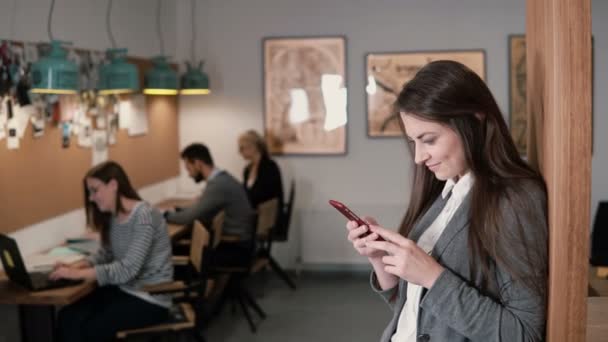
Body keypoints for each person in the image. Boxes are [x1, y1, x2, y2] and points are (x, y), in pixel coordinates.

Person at [345, 60, 548, 342]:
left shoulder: (514, 200)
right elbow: (419, 311)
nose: (418, 157)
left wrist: (433, 277)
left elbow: (523, 333)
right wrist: (381, 260)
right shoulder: (445, 193)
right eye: (413, 142)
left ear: (475, 119)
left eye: (428, 139)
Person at [51, 161, 173, 342]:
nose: (91, 198)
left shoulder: (145, 216)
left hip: (150, 298)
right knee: (67, 317)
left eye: (95, 190)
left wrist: (77, 274)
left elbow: (127, 269)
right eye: (89, 192)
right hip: (125, 290)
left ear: (114, 185)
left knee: (91, 329)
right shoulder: (113, 216)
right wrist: (81, 265)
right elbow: (107, 253)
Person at [165, 143, 256, 267]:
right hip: (239, 243)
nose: (189, 174)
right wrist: (179, 210)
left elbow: (190, 217)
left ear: (198, 163)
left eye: (188, 168)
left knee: (172, 250)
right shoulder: (222, 179)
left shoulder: (218, 185)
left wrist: (165, 215)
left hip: (236, 247)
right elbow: (200, 208)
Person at [238, 130, 284, 221]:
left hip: (268, 218)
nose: (239, 152)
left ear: (253, 147)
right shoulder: (247, 170)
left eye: (242, 148)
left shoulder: (270, 167)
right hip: (255, 214)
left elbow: (267, 196)